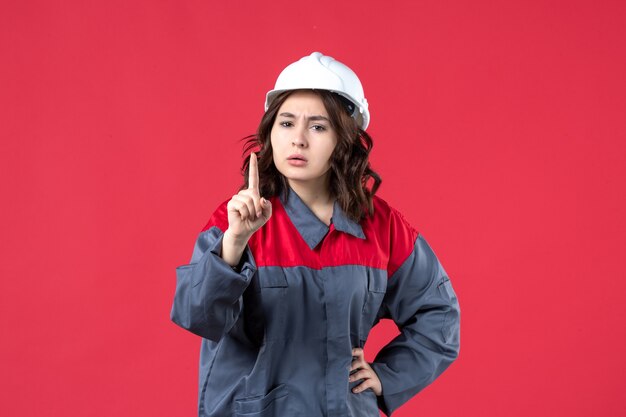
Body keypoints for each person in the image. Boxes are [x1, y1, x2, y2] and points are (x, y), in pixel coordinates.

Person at [170, 51, 460, 417]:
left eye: (318, 126)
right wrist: (234, 244)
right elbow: (198, 317)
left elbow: (439, 313)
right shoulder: (236, 219)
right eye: (287, 124)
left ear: (346, 139)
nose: (299, 140)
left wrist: (388, 377)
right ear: (270, 132)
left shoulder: (382, 227)